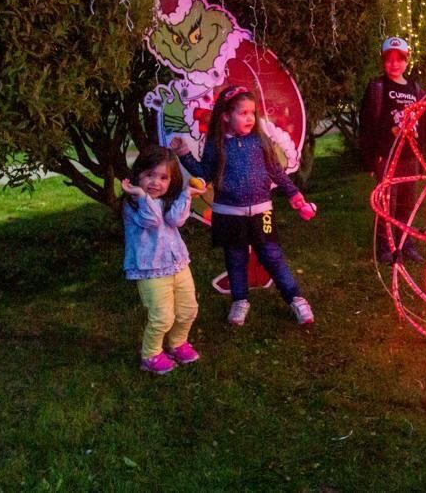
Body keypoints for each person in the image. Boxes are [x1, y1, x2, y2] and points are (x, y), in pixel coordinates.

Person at [171, 85, 316, 327]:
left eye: (252, 112)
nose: (250, 118)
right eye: (243, 113)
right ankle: (240, 300)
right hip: (228, 214)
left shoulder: (260, 139)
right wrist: (184, 153)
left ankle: (296, 298)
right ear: (226, 115)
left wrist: (294, 194)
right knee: (235, 259)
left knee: (272, 257)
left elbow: (275, 171)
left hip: (263, 213)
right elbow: (205, 174)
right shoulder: (216, 143)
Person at [121, 144, 206, 375]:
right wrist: (140, 195)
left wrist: (186, 195)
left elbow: (177, 220)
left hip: (178, 264)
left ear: (171, 180)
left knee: (188, 309)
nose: (155, 182)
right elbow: (151, 220)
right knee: (162, 317)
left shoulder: (166, 200)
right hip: (151, 270)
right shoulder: (132, 204)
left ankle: (177, 343)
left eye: (163, 177)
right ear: (138, 174)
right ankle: (150, 355)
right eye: (149, 175)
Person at [359, 37, 425, 264]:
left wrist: (416, 133)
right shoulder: (378, 87)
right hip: (386, 156)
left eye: (399, 60)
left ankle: (406, 243)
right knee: (388, 202)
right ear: (383, 61)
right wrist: (370, 158)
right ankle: (386, 246)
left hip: (409, 156)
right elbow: (367, 124)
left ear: (407, 61)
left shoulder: (414, 89)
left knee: (408, 203)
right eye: (389, 60)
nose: (394, 64)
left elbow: (422, 121)